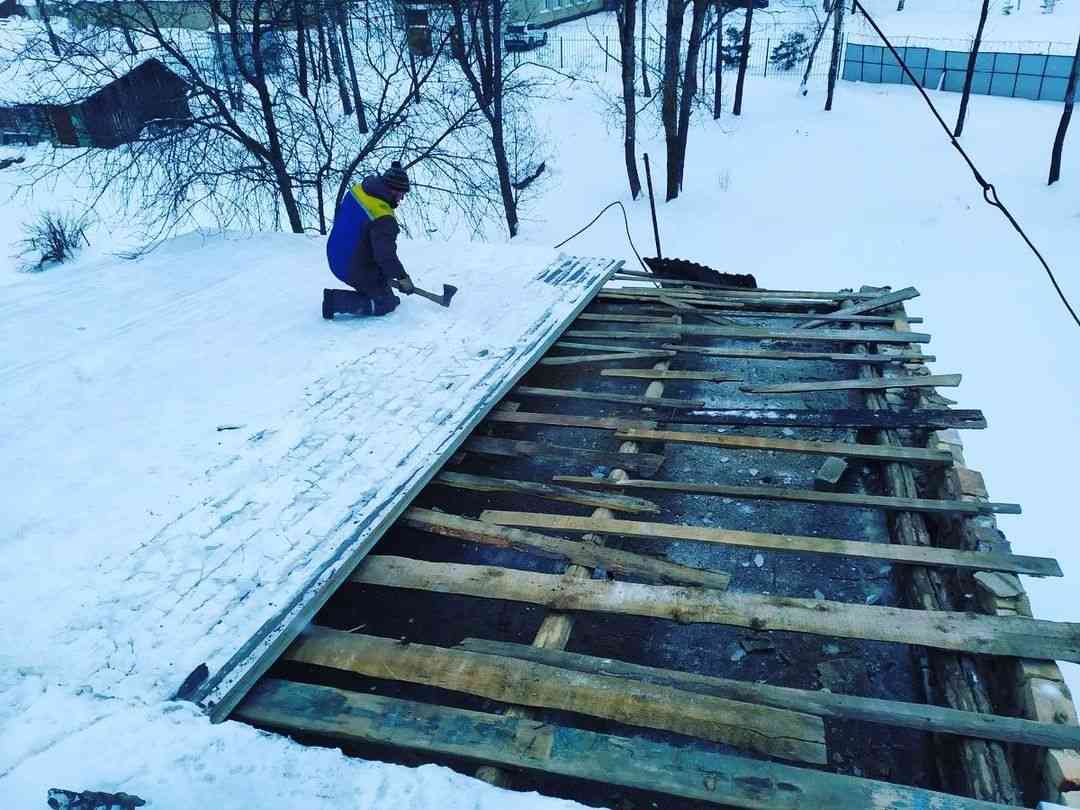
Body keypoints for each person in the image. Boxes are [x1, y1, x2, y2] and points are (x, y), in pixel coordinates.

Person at [323, 161, 416, 319]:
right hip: (349, 266)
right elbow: (385, 255)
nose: (401, 198)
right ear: (393, 190)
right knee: (386, 303)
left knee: (383, 281)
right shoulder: (383, 217)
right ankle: (334, 301)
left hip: (335, 251)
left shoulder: (359, 190)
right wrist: (402, 277)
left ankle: (378, 288)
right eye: (401, 193)